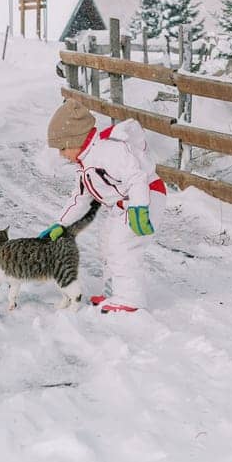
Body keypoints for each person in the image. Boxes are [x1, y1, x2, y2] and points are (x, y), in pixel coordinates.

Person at [41, 100, 166, 313]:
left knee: (122, 246)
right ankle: (113, 292)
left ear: (75, 140)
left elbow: (137, 177)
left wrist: (139, 208)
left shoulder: (109, 151)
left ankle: (130, 299)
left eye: (62, 148)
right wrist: (61, 224)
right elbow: (80, 198)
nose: (61, 154)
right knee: (108, 243)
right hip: (121, 205)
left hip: (146, 196)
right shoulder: (85, 163)